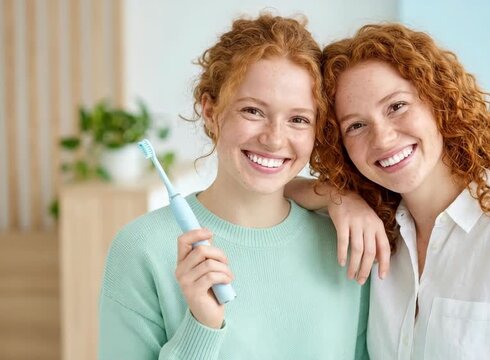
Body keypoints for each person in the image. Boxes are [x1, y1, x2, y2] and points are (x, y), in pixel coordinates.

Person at [287, 23, 490, 359]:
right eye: (356, 125)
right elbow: (273, 188)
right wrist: (340, 197)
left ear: (439, 103)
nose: (383, 138)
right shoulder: (378, 231)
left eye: (397, 106)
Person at [98, 14, 369, 359]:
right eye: (253, 111)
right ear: (211, 111)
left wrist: (339, 197)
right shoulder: (142, 249)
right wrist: (201, 326)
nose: (273, 138)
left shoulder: (348, 241)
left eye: (298, 119)